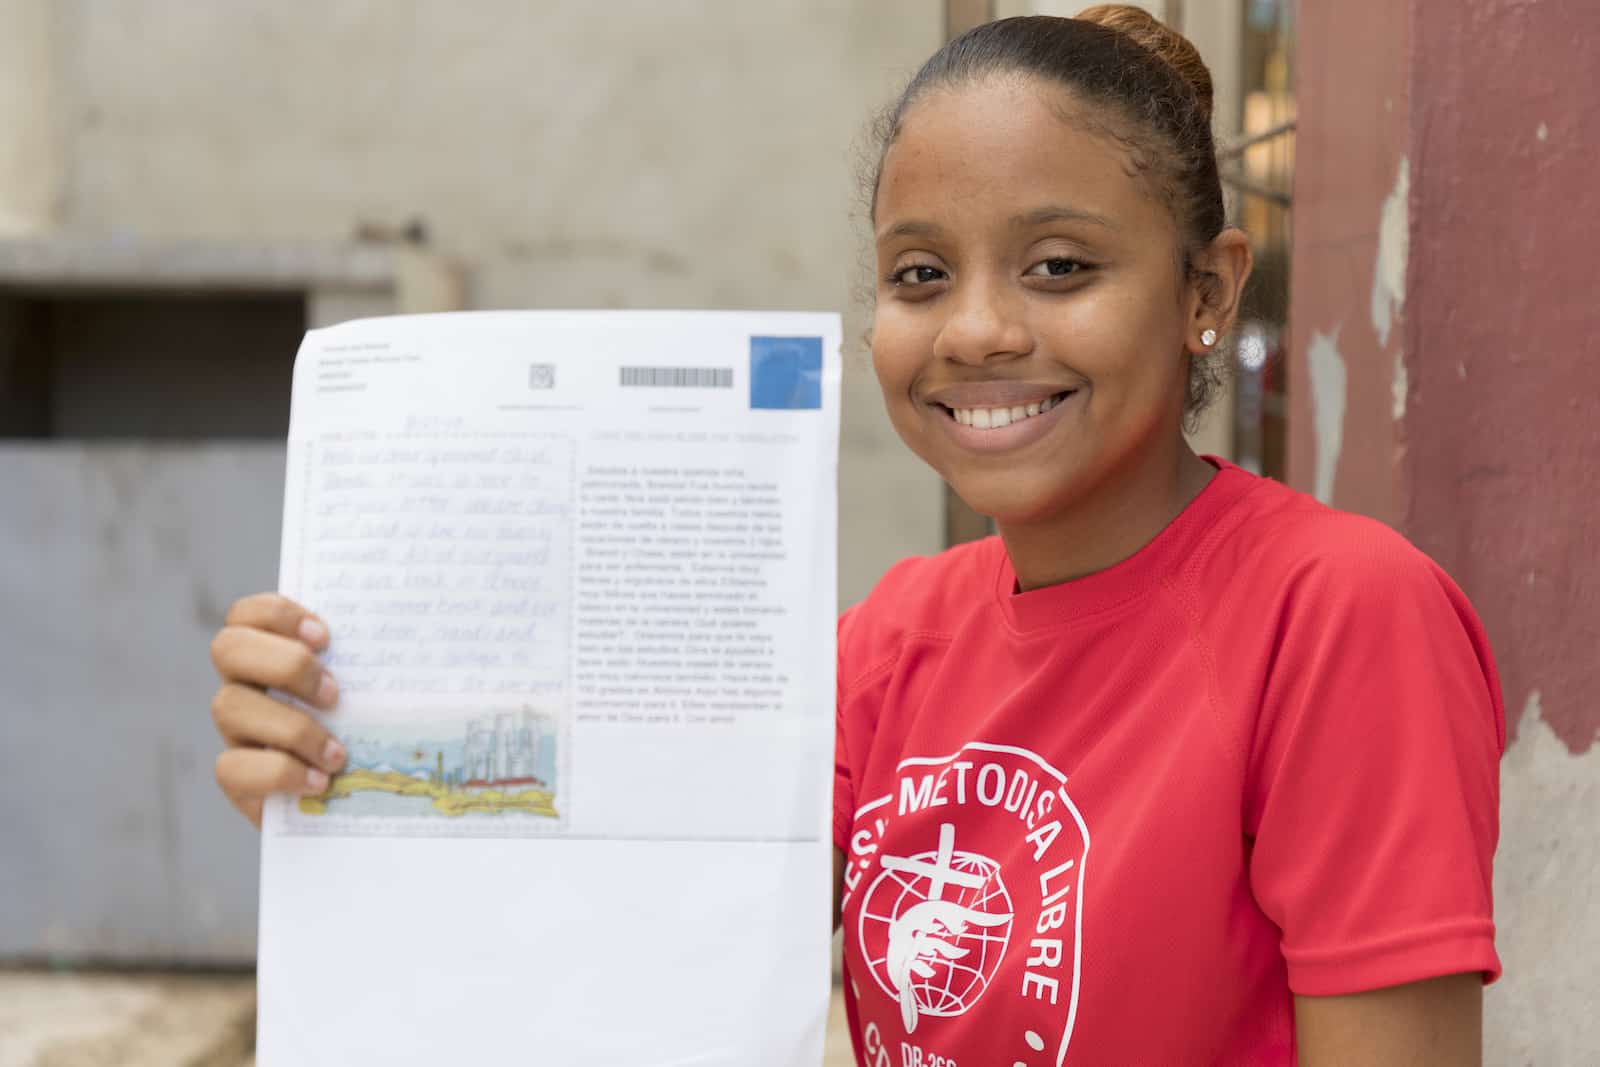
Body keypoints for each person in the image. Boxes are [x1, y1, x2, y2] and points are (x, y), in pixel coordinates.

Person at [209, 8, 1503, 1064]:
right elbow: (628, 963)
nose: (975, 330)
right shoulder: (891, 643)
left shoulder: (1339, 615)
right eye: (920, 274)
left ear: (1205, 292)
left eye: (1058, 266)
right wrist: (349, 780)